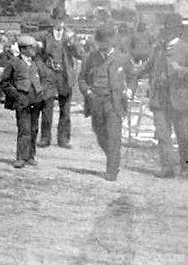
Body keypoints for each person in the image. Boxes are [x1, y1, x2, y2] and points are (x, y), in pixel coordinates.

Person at [79, 26, 133, 182]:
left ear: (112, 41)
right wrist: (88, 93)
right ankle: (113, 157)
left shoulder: (122, 58)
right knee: (100, 135)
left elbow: (133, 76)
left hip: (113, 102)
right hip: (96, 101)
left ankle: (112, 170)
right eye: (101, 42)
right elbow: (82, 79)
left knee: (114, 136)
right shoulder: (89, 58)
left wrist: (130, 90)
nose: (103, 45)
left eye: (107, 41)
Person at [142, 13, 188, 178]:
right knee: (162, 135)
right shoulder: (158, 48)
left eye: (170, 30)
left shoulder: (185, 48)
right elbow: (148, 66)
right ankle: (167, 168)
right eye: (165, 30)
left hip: (180, 100)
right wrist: (131, 72)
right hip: (160, 99)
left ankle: (185, 166)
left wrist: (181, 71)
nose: (166, 33)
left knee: (184, 136)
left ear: (177, 31)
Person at [0, 34, 52, 168]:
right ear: (23, 49)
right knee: (24, 129)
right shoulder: (13, 63)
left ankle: (30, 156)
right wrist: (17, 96)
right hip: (22, 101)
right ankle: (21, 158)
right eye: (31, 48)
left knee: (34, 129)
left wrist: (43, 91)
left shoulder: (37, 63)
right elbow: (4, 83)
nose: (34, 50)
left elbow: (46, 79)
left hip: (37, 101)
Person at [38, 12, 84, 148]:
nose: (60, 23)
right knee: (47, 107)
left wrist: (72, 43)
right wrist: (45, 68)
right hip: (49, 76)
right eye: (58, 20)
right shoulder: (45, 35)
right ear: (53, 20)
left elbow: (80, 54)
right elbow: (38, 57)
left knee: (65, 109)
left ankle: (63, 139)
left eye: (63, 20)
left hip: (65, 75)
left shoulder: (71, 35)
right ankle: (45, 138)